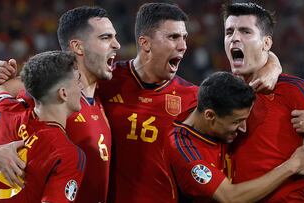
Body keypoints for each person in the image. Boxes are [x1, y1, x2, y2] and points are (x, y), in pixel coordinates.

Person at [97, 2, 282, 202]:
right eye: (173, 37)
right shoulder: (106, 81)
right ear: (145, 43)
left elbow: (234, 95)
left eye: (184, 37)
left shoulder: (194, 97)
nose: (183, 46)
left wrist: (273, 64)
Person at [0, 6, 120, 203]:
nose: (117, 45)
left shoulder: (104, 96)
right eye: (105, 38)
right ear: (78, 47)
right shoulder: (41, 94)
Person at [223, 2, 304, 202]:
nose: (235, 38)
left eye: (245, 32)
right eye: (229, 32)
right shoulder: (219, 94)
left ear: (266, 43)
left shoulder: (295, 93)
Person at [166, 71, 304, 202]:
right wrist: (291, 166)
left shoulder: (213, 102)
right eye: (237, 122)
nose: (243, 128)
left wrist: (273, 63)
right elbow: (230, 197)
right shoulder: (184, 148)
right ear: (210, 115)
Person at [0, 51, 85, 203]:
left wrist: (35, 79)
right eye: (78, 80)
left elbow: (0, 89)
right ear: (63, 93)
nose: (81, 87)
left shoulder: (6, 112)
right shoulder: (67, 154)